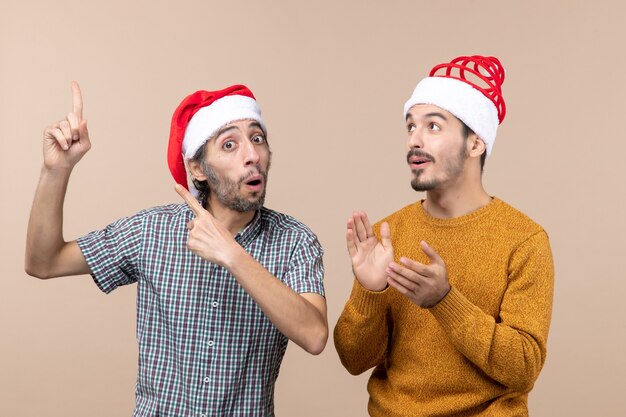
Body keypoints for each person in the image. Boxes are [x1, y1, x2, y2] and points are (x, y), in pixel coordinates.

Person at [25, 82, 328, 417]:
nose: (252, 155)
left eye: (257, 139)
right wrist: (56, 170)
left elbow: (314, 336)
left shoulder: (295, 240)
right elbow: (43, 262)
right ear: (197, 168)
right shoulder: (151, 231)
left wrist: (232, 254)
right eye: (230, 144)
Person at [334, 56, 554, 416]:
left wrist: (444, 301)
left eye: (433, 127)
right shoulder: (387, 236)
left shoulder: (524, 240)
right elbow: (353, 360)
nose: (414, 140)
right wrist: (371, 292)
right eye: (410, 127)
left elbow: (523, 369)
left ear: (475, 144)